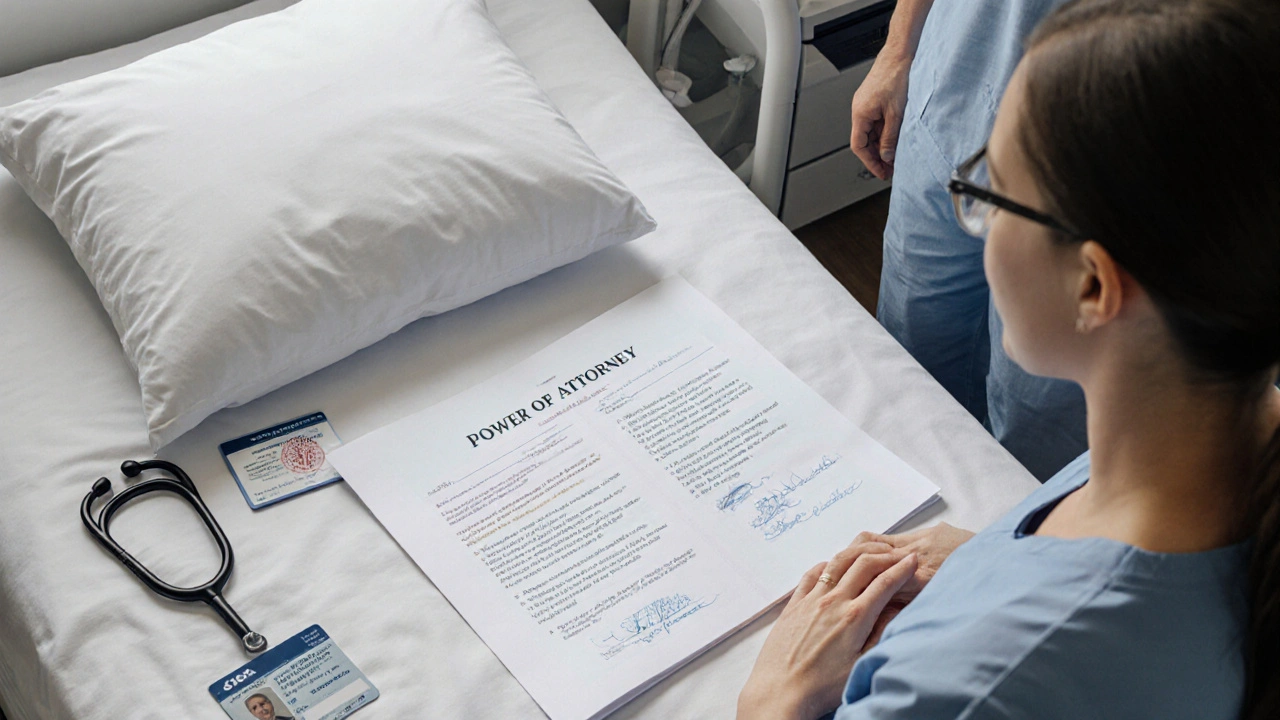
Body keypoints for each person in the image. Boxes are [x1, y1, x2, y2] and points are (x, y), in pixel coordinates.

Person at [740, 0, 1280, 717]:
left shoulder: (966, 687)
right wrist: (991, 559)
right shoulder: (1224, 434)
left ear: (1092, 284)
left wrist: (771, 701)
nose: (969, 206)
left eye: (990, 186)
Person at [850, 0, 1085, 481]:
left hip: (1086, 185)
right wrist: (900, 49)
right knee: (908, 368)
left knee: (1033, 434)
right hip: (952, 97)